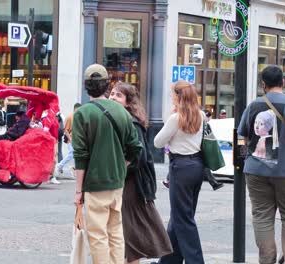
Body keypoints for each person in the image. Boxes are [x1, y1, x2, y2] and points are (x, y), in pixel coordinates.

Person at [237, 65, 285, 264]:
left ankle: (267, 260)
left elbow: (242, 138)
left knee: (262, 216)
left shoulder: (253, 106)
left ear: (263, 84)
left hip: (256, 171)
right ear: (283, 82)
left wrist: (245, 161)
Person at [72, 64, 142, 264]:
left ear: (86, 86)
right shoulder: (122, 112)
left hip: (95, 183)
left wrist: (78, 191)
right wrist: (122, 165)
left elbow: (80, 155)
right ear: (106, 86)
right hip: (117, 182)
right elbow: (135, 147)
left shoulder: (82, 113)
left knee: (98, 235)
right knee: (115, 231)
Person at [109, 83, 172, 264]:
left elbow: (139, 156)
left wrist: (119, 170)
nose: (113, 97)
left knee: (129, 232)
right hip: (127, 181)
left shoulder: (131, 122)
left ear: (128, 102)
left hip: (132, 184)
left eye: (118, 95)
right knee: (127, 233)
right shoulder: (120, 119)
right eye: (112, 93)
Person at [153, 80, 206, 264]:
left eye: (172, 95)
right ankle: (169, 260)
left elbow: (157, 142)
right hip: (197, 166)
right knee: (182, 214)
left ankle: (195, 261)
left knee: (183, 218)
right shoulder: (201, 115)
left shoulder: (176, 118)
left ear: (178, 96)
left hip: (180, 167)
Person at [162, 109, 224, 191]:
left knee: (176, 165)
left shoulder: (197, 121)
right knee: (177, 165)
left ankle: (213, 183)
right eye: (209, 118)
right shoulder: (178, 119)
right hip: (183, 151)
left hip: (182, 153)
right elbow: (159, 141)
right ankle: (213, 183)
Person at [55, 103, 82, 180]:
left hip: (77, 139)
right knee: (72, 154)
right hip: (71, 139)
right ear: (75, 109)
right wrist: (70, 140)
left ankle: (73, 168)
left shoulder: (79, 117)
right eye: (78, 110)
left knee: (75, 154)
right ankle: (60, 165)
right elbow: (65, 130)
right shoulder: (70, 117)